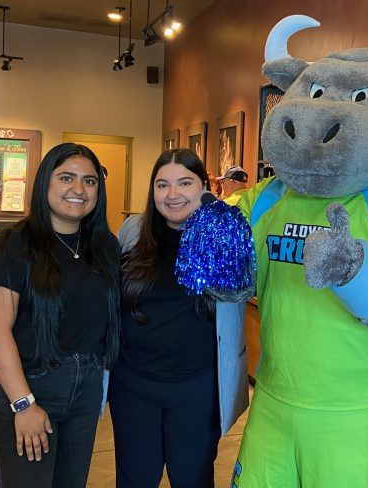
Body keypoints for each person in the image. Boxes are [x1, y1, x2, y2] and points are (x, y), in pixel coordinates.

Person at [0, 142, 120, 488]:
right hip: (29, 382)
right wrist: (23, 405)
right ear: (45, 183)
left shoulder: (104, 247)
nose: (79, 189)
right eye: (67, 178)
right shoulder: (14, 243)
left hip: (85, 389)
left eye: (90, 181)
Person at [108, 148, 248, 488]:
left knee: (193, 477)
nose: (172, 195)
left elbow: (245, 288)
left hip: (197, 387)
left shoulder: (225, 233)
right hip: (132, 384)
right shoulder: (133, 231)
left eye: (184, 183)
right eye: (162, 185)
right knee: (135, 478)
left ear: (205, 186)